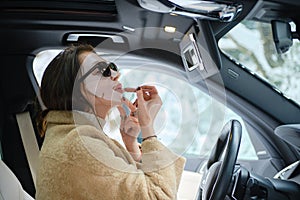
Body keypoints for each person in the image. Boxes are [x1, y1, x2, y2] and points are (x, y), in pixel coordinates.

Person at [35, 43, 186, 200]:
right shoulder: (80, 146)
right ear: (78, 90)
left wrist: (131, 144)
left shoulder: (74, 138)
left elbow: (123, 188)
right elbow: (158, 196)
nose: (116, 74)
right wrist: (148, 129)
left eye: (112, 67)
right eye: (103, 70)